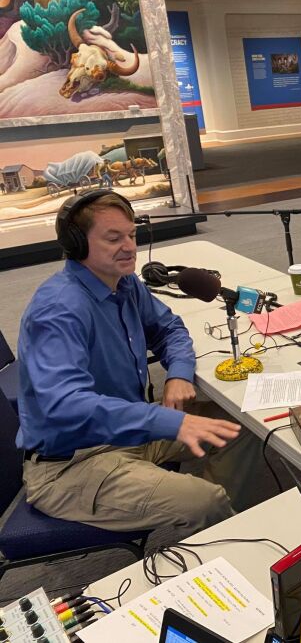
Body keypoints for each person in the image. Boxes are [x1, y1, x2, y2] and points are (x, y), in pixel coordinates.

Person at [17, 190, 242, 536]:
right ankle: (213, 525)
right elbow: (66, 405)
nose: (129, 247)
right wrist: (165, 420)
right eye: (113, 238)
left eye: (132, 235)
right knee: (205, 501)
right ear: (77, 245)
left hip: (130, 431)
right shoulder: (59, 309)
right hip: (73, 463)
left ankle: (207, 528)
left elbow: (170, 329)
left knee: (238, 427)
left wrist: (178, 375)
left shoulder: (125, 285)